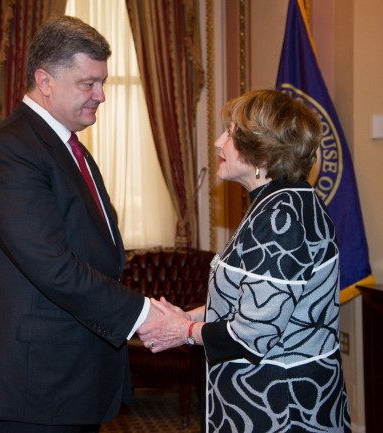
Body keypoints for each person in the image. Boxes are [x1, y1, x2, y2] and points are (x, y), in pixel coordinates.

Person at [0, 16, 165, 433]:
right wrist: (144, 315)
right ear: (45, 80)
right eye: (87, 84)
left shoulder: (67, 146)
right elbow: (53, 267)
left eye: (103, 82)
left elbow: (94, 251)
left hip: (75, 375)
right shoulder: (10, 152)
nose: (102, 96)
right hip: (38, 384)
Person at [138, 89, 352, 432]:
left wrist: (185, 331)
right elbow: (252, 300)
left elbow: (254, 333)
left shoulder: (284, 217)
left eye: (232, 133)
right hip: (263, 400)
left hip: (282, 408)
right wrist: (191, 314)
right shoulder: (275, 205)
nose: (219, 142)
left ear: (262, 154)